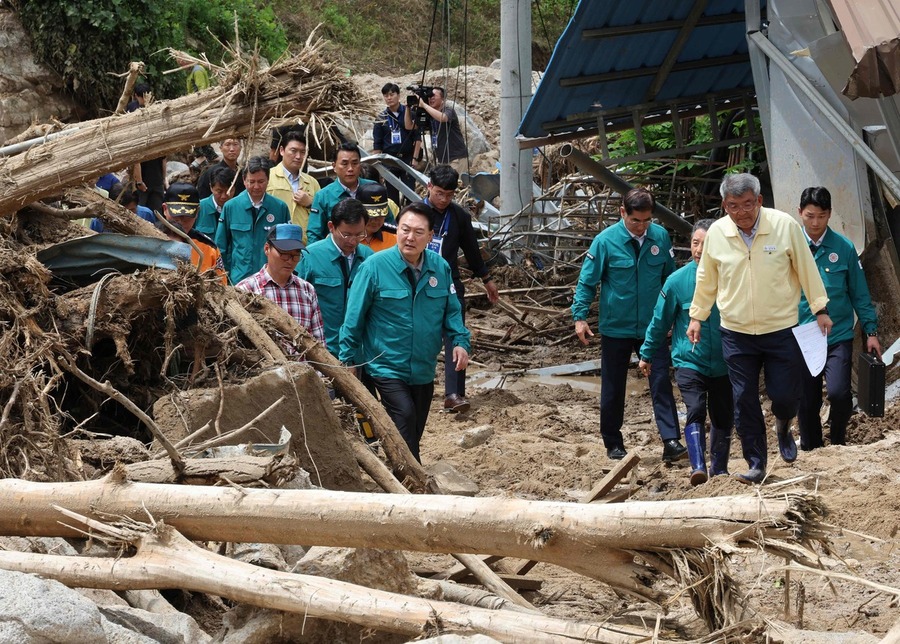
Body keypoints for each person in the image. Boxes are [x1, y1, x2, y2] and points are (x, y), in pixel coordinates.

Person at [688, 173, 832, 484]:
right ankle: (756, 463)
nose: (741, 212)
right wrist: (697, 316)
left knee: (783, 395)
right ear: (724, 205)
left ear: (760, 201)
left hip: (780, 328)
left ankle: (783, 423)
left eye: (747, 204)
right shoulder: (716, 233)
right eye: (733, 206)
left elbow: (806, 267)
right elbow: (706, 278)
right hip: (736, 332)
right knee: (744, 399)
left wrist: (820, 308)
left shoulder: (784, 226)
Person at [339, 202, 471, 462]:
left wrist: (460, 341)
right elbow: (353, 318)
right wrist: (348, 360)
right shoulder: (374, 267)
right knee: (405, 416)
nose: (410, 237)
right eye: (405, 229)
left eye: (418, 232)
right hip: (385, 365)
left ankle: (399, 468)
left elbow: (452, 311)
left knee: (413, 428)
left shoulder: (440, 268)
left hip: (422, 367)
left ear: (430, 236)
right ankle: (411, 481)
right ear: (397, 230)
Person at [572, 187, 684, 462]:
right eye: (636, 221)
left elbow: (670, 280)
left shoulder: (660, 237)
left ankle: (671, 441)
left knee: (660, 382)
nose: (641, 227)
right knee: (613, 385)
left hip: (652, 326)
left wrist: (673, 317)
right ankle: (613, 442)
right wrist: (580, 317)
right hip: (616, 326)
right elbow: (588, 281)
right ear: (623, 212)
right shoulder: (605, 241)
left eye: (647, 221)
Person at [639, 219, 733, 484]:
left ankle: (721, 469)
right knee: (695, 408)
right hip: (689, 359)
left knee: (723, 413)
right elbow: (660, 321)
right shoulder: (676, 282)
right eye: (695, 242)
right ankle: (698, 467)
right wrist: (646, 354)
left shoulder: (730, 278)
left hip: (725, 361)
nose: (700, 250)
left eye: (706, 243)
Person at [796, 186, 881, 450]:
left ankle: (838, 440)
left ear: (830, 214)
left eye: (821, 216)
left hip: (838, 333)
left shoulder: (843, 247)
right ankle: (811, 447)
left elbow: (859, 293)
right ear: (800, 213)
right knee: (807, 397)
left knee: (838, 392)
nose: (815, 222)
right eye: (809, 216)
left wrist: (871, 331)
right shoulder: (792, 247)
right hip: (803, 334)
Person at [425, 165, 498, 412]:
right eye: (439, 193)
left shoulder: (459, 216)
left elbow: (471, 250)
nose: (444, 199)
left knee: (456, 334)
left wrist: (486, 279)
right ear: (428, 187)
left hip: (449, 284)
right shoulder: (416, 213)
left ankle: (454, 394)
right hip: (417, 283)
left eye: (449, 194)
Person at [297, 198, 373, 358]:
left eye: (359, 234)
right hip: (322, 352)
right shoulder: (310, 256)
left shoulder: (369, 258)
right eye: (346, 235)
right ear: (331, 227)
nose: (353, 241)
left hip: (360, 353)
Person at [235, 224, 326, 349]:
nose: (289, 260)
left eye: (295, 255)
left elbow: (319, 343)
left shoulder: (307, 290)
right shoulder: (246, 290)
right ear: (267, 249)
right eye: (284, 253)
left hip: (303, 368)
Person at [215, 156, 291, 284]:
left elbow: (288, 246)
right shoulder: (231, 207)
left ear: (268, 180)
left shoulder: (280, 208)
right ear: (244, 180)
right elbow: (221, 247)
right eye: (251, 181)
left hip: (270, 279)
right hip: (238, 279)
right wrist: (224, 276)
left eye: (261, 181)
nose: (256, 186)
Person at [307, 143, 375, 244]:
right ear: (334, 166)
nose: (350, 168)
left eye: (355, 163)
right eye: (344, 164)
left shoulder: (373, 188)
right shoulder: (323, 196)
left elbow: (389, 223)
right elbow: (314, 234)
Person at [158, 182, 226, 283]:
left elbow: (221, 287)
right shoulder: (150, 239)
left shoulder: (208, 248)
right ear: (165, 209)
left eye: (187, 216)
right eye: (176, 216)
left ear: (197, 212)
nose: (181, 221)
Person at [267, 130, 319, 243]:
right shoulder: (268, 178)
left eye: (302, 152)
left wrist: (311, 203)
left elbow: (321, 214)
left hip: (305, 246)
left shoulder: (312, 182)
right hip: (275, 244)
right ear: (281, 150)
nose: (298, 156)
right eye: (293, 151)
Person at [372, 82, 419, 203]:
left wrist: (415, 159)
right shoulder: (381, 118)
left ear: (398, 95)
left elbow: (417, 138)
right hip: (389, 160)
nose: (389, 98)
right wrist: (378, 167)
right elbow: (377, 144)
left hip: (407, 159)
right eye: (386, 95)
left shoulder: (409, 113)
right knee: (392, 197)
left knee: (410, 194)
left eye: (391, 94)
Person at [408, 86, 468, 174]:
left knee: (455, 186)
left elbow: (443, 118)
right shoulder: (430, 116)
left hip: (456, 159)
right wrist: (408, 108)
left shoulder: (449, 111)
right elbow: (410, 126)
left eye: (434, 96)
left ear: (443, 99)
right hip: (442, 161)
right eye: (429, 97)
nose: (431, 99)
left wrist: (424, 105)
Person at [90, 183, 156, 232]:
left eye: (131, 210)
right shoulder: (99, 222)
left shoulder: (146, 215)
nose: (127, 215)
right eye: (121, 211)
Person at [195, 166, 236, 237]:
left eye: (228, 192)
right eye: (219, 191)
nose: (224, 196)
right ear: (211, 187)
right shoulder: (199, 208)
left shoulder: (240, 209)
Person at [358, 182, 397, 252]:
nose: (374, 221)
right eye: (370, 216)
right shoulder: (346, 238)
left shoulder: (395, 239)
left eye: (380, 215)